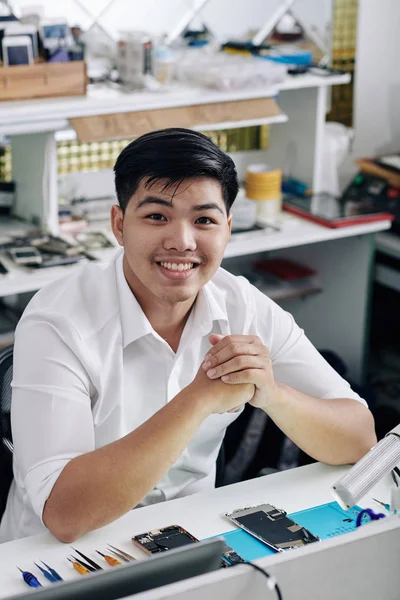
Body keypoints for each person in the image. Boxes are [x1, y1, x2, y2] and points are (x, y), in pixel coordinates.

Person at [0, 128, 376, 543]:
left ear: (227, 229)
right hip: (53, 559)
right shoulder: (57, 323)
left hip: (192, 542)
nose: (181, 241)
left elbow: (360, 439)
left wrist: (269, 394)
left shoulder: (241, 305)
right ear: (119, 224)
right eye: (157, 216)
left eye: (204, 220)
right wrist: (197, 400)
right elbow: (65, 515)